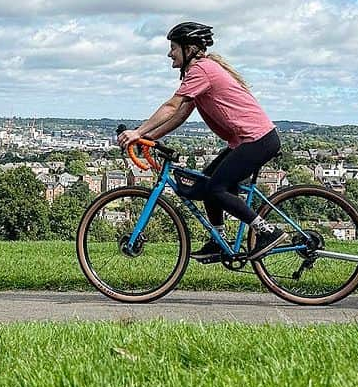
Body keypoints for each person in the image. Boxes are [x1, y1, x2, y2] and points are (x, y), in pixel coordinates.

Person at [117, 21, 284, 263]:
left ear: (189, 49)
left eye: (173, 47)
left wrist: (137, 132)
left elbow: (171, 106)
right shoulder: (201, 72)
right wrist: (150, 137)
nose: (169, 53)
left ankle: (267, 232)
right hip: (248, 141)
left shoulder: (201, 70)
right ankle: (219, 240)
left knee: (216, 188)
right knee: (207, 185)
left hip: (257, 140)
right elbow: (181, 115)